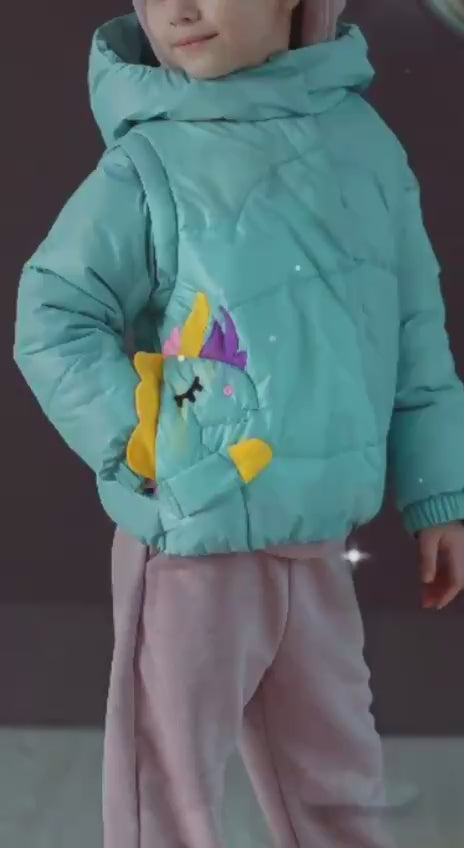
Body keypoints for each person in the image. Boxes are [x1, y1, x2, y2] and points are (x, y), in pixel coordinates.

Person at [13, 1, 464, 846]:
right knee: (169, 795)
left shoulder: (366, 147)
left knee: (339, 789)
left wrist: (439, 492)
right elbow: (52, 317)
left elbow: (415, 331)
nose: (177, 10)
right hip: (192, 545)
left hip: (317, 547)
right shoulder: (152, 161)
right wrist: (147, 445)